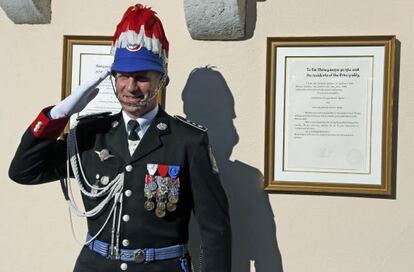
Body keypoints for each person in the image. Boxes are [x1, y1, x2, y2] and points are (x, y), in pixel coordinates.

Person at [9, 4, 231, 272]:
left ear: (162, 79)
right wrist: (59, 114)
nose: (130, 87)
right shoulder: (91, 135)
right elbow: (24, 171)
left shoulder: (187, 142)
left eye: (141, 78)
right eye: (122, 76)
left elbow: (214, 231)